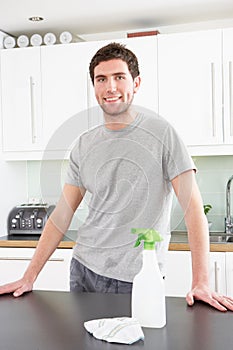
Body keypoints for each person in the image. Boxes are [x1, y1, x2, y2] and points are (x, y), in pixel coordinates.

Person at [0, 42, 233, 312]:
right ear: (95, 87)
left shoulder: (162, 134)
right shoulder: (84, 144)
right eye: (101, 79)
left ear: (136, 83)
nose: (110, 87)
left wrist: (201, 282)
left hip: (137, 279)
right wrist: (29, 277)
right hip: (83, 271)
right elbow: (61, 216)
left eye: (119, 77)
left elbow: (193, 211)